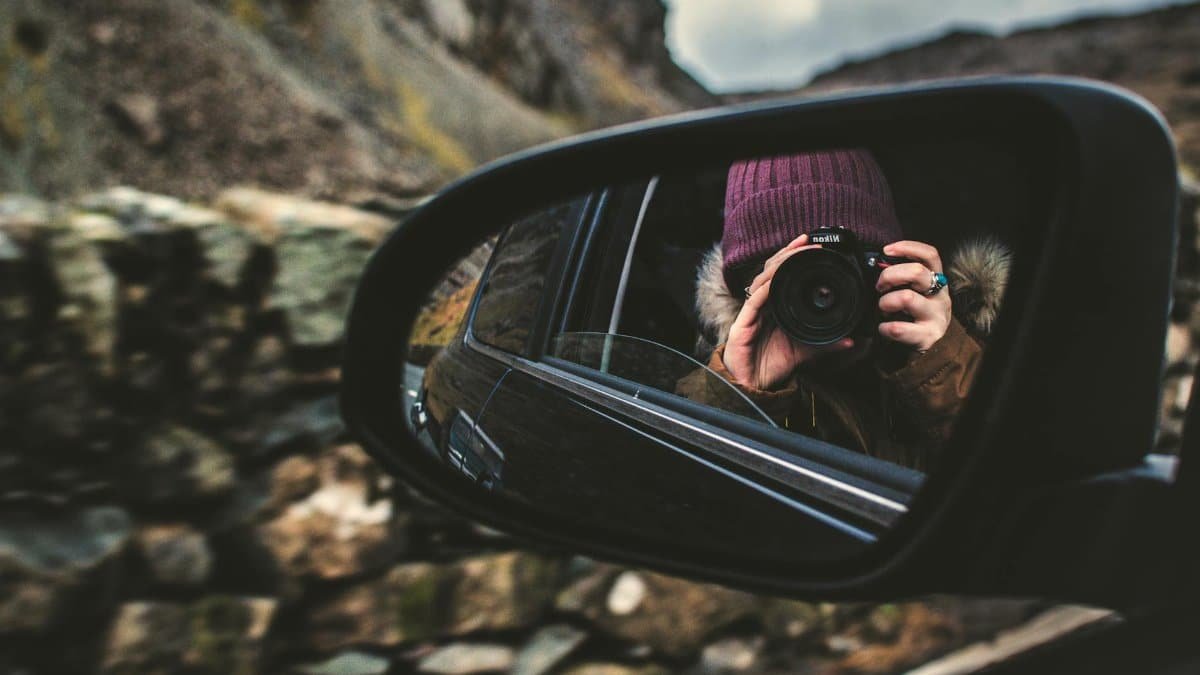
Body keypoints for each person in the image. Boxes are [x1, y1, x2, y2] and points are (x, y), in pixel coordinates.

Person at [678, 149, 1011, 471]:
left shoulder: (956, 350)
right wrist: (737, 393)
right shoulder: (740, 370)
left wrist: (943, 365)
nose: (825, 292)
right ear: (751, 292)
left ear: (888, 264)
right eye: (796, 277)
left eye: (846, 266)